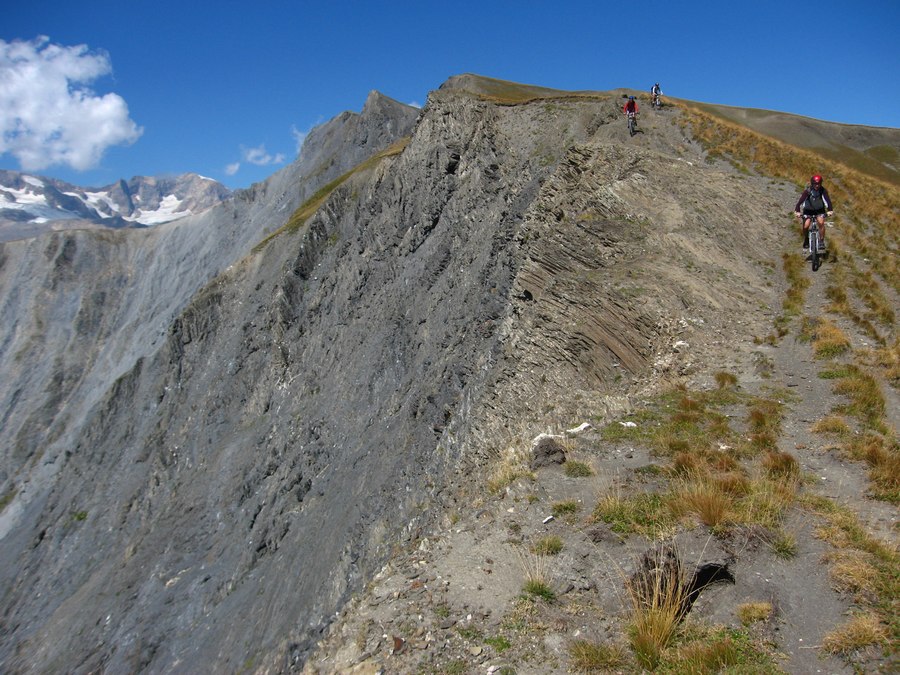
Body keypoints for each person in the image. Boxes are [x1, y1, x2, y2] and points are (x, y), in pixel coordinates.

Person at [794, 175, 834, 251]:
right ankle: (806, 239)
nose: (817, 185)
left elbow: (827, 201)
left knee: (821, 222)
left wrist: (830, 210)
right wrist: (797, 211)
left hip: (819, 210)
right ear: (812, 184)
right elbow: (800, 201)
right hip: (808, 210)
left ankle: (821, 241)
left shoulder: (823, 190)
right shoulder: (807, 191)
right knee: (806, 226)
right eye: (815, 184)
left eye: (819, 184)